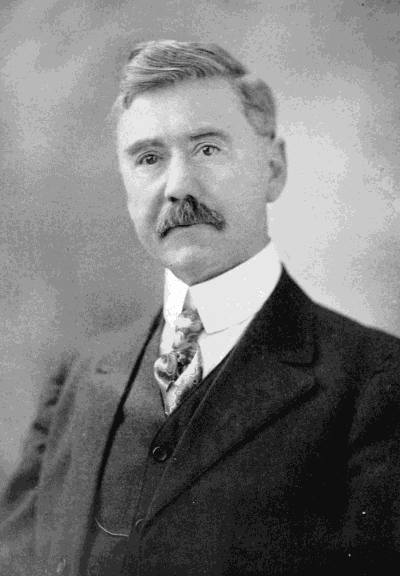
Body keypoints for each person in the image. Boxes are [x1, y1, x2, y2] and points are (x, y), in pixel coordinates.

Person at [1, 40, 400, 576]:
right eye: (148, 158)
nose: (178, 187)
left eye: (207, 149)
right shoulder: (78, 375)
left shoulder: (377, 381)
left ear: (274, 168)